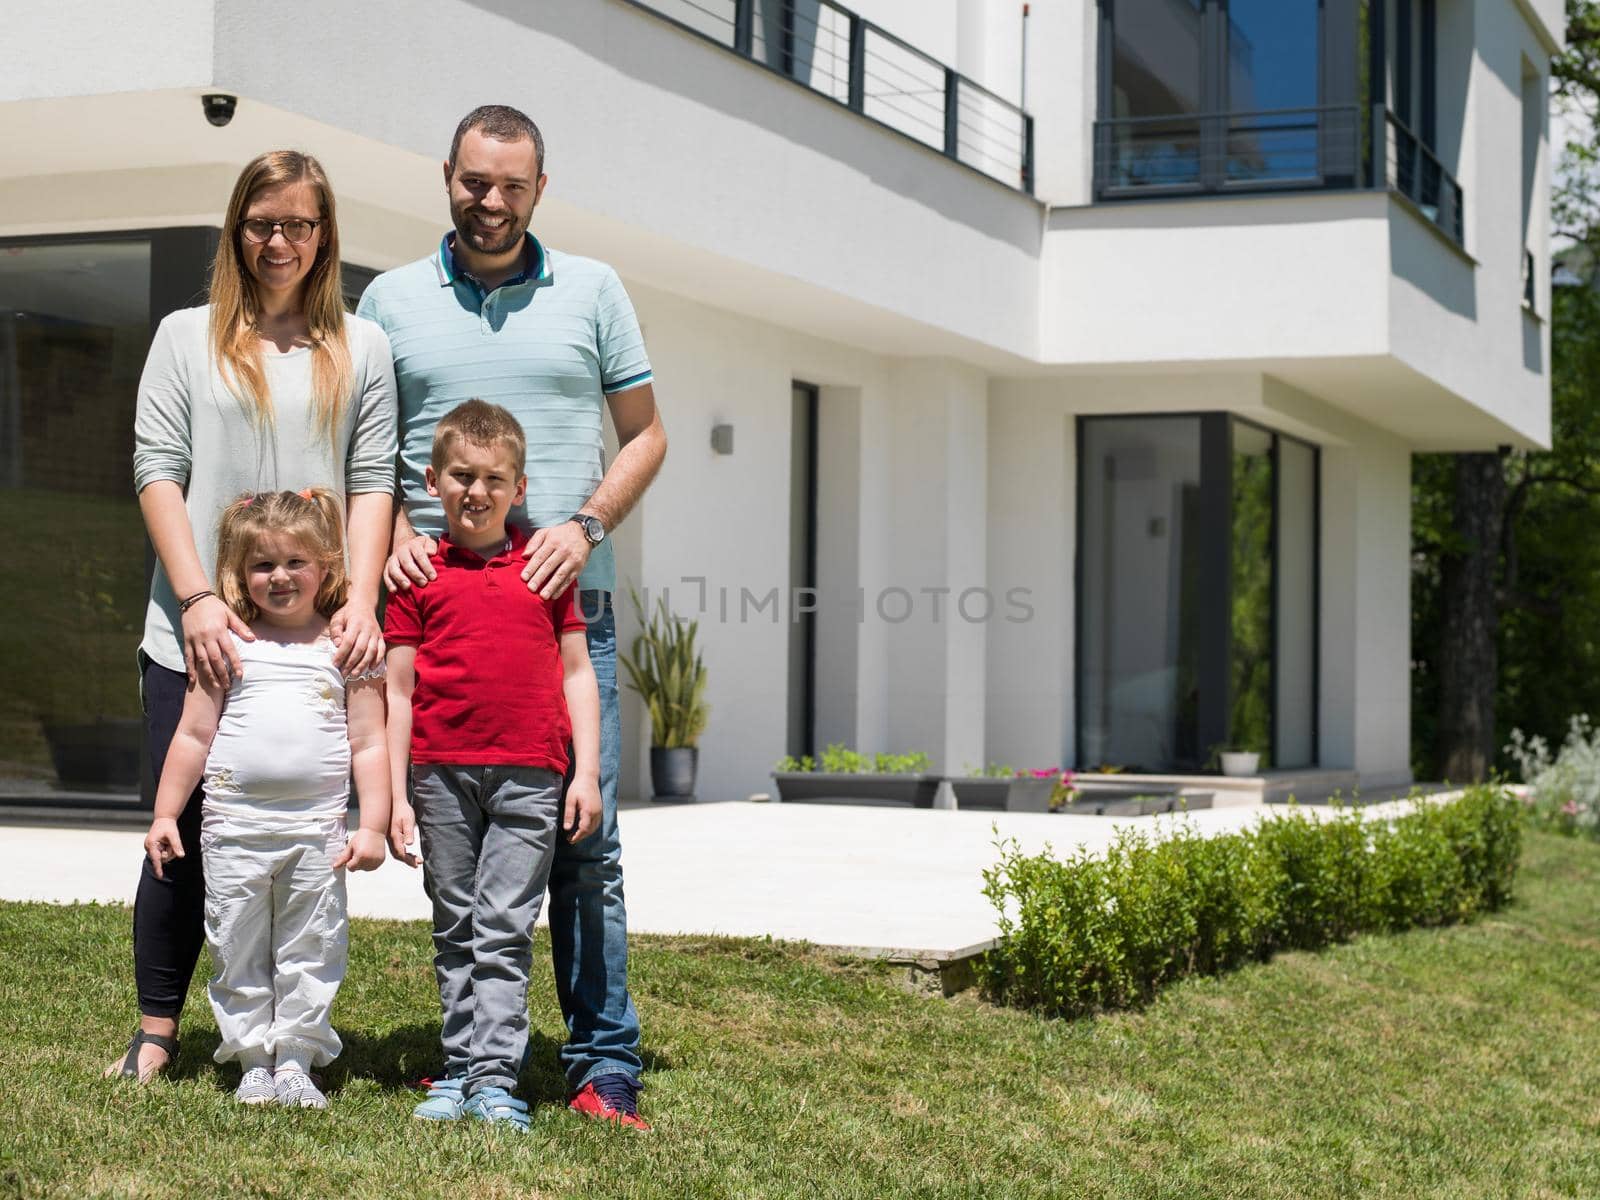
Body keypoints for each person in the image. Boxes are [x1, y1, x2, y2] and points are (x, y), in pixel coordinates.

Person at [358, 105, 666, 1129]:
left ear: (539, 190)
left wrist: (582, 524)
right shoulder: (392, 300)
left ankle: (601, 1058)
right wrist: (394, 525)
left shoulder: (594, 290)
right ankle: (474, 1053)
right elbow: (364, 447)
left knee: (587, 841)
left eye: (511, 185)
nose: (489, 201)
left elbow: (646, 436)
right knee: (452, 843)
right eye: (473, 181)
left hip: (561, 606)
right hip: (437, 611)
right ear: (446, 174)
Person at [112, 150, 398, 1082]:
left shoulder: (364, 348)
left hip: (316, 644)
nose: (280, 242)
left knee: (303, 848)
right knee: (182, 832)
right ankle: (159, 1030)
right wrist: (196, 599)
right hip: (195, 632)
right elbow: (158, 469)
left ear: (325, 237)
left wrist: (358, 600)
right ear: (237, 228)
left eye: (300, 225)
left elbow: (373, 481)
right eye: (262, 222)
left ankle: (289, 1039)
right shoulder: (183, 336)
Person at [384, 400, 602, 1130]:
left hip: (531, 775)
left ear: (519, 487)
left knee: (503, 926)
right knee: (454, 924)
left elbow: (578, 673)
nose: (476, 491)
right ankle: (456, 1069)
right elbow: (399, 688)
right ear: (432, 480)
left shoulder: (544, 569)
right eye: (461, 476)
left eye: (493, 479)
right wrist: (395, 796)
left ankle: (495, 1080)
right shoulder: (415, 574)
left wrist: (588, 772)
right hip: (439, 774)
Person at [143, 489, 390, 1107]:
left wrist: (374, 825)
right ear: (238, 571)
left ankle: (297, 1059)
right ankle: (254, 1057)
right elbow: (193, 735)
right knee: (238, 944)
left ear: (326, 567)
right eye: (262, 566)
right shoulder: (228, 646)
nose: (279, 578)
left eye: (295, 563)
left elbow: (370, 743)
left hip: (316, 834)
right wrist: (166, 813)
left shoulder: (345, 649)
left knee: (312, 945)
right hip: (233, 828)